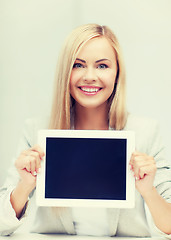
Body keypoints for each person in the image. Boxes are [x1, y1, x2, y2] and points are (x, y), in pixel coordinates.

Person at [0, 23, 171, 238]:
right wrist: (24, 186)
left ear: (117, 73)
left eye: (102, 66)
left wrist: (148, 191)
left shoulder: (145, 132)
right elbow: (2, 224)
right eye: (78, 65)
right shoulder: (36, 130)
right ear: (66, 72)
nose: (89, 76)